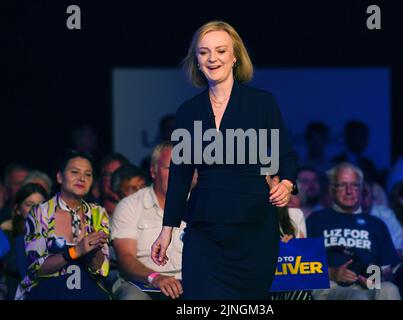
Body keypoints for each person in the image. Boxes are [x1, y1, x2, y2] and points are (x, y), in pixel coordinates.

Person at [151, 21, 299, 300]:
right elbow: (181, 175)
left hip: (253, 230)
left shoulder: (262, 103)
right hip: (205, 230)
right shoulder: (188, 111)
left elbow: (286, 155)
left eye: (220, 50)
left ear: (235, 57)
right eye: (204, 52)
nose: (212, 58)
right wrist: (166, 230)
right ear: (196, 59)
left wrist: (287, 183)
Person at [15, 150, 110, 300]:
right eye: (74, 172)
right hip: (48, 290)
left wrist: (95, 250)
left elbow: (101, 270)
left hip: (87, 289)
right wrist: (75, 252)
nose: (82, 178)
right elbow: (35, 268)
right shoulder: (41, 213)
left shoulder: (97, 213)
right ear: (59, 177)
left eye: (88, 174)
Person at [306, 162, 401, 300]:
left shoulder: (376, 224)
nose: (349, 191)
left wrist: (375, 278)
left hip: (368, 286)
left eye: (354, 185)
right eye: (342, 185)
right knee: (357, 297)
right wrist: (332, 273)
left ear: (361, 189)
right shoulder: (316, 220)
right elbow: (303, 266)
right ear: (332, 189)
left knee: (390, 289)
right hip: (330, 286)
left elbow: (388, 271)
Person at [111, 142, 186, 300]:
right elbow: (125, 258)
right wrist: (156, 278)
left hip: (188, 283)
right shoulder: (130, 205)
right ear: (153, 171)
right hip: (142, 283)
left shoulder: (199, 204)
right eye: (170, 167)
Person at [1, 183, 48, 299]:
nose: (36, 209)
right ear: (17, 209)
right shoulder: (6, 236)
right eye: (29, 204)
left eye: (41, 204)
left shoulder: (53, 238)